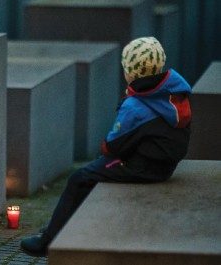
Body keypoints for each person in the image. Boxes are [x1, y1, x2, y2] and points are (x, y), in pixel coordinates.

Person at [20, 37, 192, 256]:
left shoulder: (135, 105)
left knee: (80, 178)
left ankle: (47, 241)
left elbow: (111, 147)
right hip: (165, 165)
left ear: (130, 72)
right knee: (96, 170)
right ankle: (59, 227)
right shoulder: (175, 93)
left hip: (144, 168)